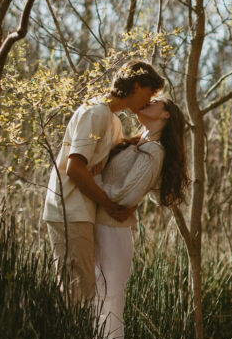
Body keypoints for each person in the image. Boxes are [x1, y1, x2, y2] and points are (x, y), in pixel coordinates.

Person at [43, 61, 165, 302]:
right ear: (137, 85)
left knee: (85, 290)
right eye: (149, 93)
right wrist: (109, 205)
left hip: (84, 211)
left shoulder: (113, 121)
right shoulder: (95, 112)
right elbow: (75, 169)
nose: (149, 100)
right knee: (76, 292)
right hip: (69, 209)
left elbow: (105, 167)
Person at [93, 96, 188, 339]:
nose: (147, 102)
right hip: (97, 224)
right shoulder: (134, 143)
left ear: (167, 114)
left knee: (109, 298)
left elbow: (124, 195)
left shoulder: (155, 151)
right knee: (92, 295)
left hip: (114, 232)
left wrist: (92, 180)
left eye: (155, 101)